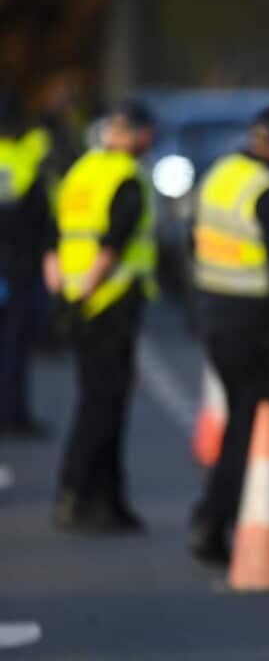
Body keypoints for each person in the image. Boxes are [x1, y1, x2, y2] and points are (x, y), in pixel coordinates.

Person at [189, 105, 269, 564]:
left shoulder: (221, 174)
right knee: (250, 427)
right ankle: (214, 520)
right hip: (255, 324)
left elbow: (190, 241)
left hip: (216, 313)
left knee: (250, 423)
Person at [46, 101, 156, 532]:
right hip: (109, 301)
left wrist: (62, 296)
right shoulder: (126, 178)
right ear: (134, 134)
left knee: (98, 400)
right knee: (103, 405)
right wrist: (88, 291)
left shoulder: (81, 173)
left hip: (77, 299)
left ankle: (109, 500)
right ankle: (77, 493)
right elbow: (112, 245)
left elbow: (54, 239)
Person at [0, 98, 52, 437]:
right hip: (16, 268)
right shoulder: (23, 163)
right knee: (14, 346)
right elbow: (40, 221)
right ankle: (13, 415)